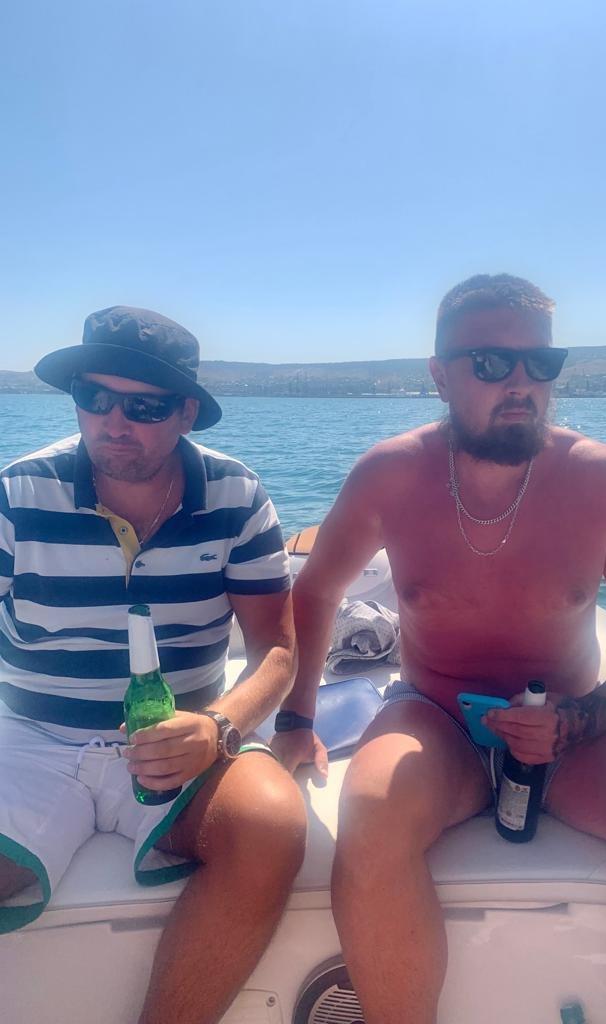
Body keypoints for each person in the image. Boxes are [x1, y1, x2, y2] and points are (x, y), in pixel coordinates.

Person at [272, 275, 606, 1024]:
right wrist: (295, 720)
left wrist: (583, 717)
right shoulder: (390, 474)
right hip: (435, 718)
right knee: (371, 813)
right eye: (491, 362)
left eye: (541, 363)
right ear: (439, 375)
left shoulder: (601, 481)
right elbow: (313, 592)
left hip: (575, 732)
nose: (521, 384)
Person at [0, 307, 306, 1024]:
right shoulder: (16, 494)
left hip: (186, 736)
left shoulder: (236, 497)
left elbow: (277, 651)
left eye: (143, 407)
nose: (113, 422)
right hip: (35, 742)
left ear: (186, 412)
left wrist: (220, 728)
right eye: (94, 397)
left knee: (270, 828)